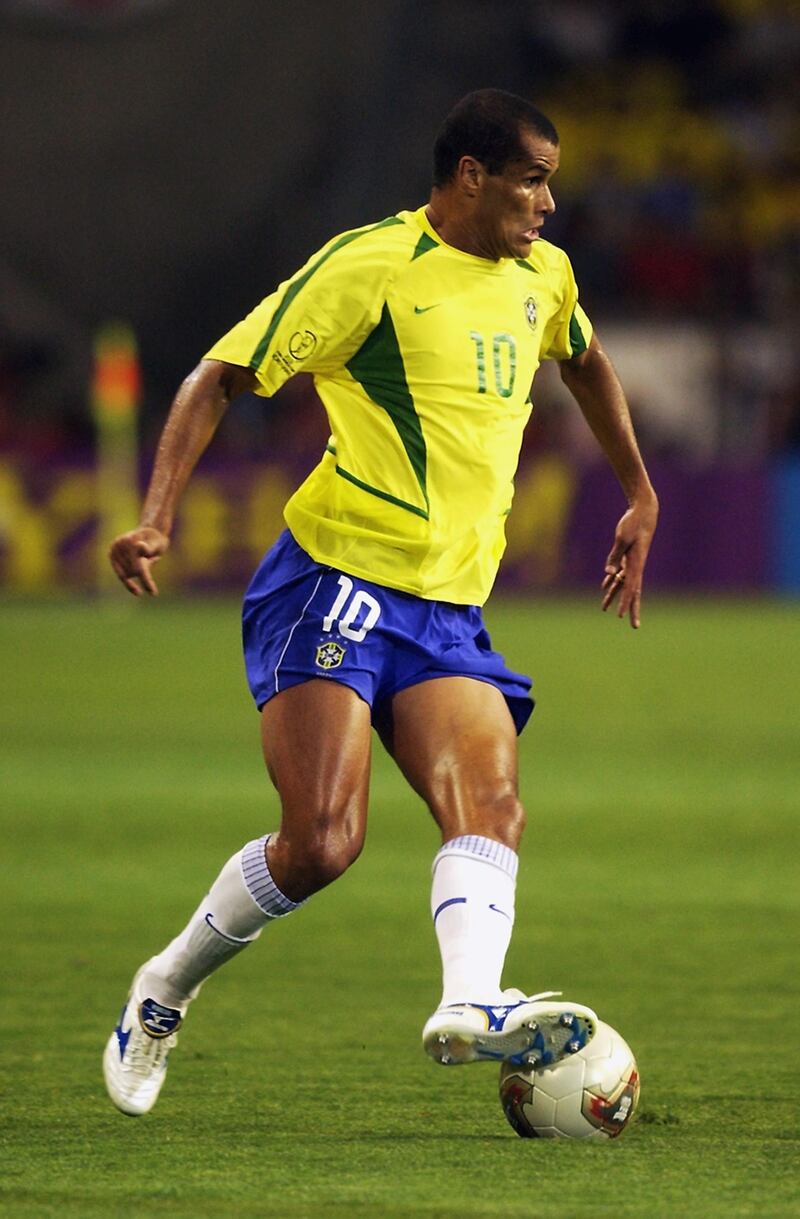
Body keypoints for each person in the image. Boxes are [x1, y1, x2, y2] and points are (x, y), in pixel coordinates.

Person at [103, 88, 658, 1117]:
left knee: (490, 806)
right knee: (322, 842)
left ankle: (468, 1002)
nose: (547, 202)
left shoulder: (544, 273)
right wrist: (157, 516)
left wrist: (637, 488)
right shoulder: (372, 266)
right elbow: (216, 374)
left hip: (445, 606)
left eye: (551, 180)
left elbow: (582, 360)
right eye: (532, 178)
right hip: (336, 581)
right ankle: (162, 988)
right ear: (469, 178)